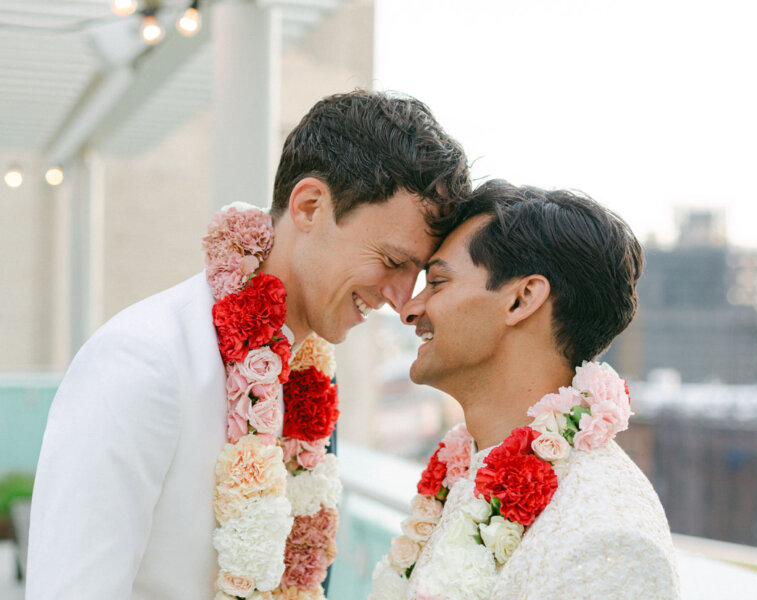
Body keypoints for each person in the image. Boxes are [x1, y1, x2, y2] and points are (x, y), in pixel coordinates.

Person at [26, 90, 471, 600]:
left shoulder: (308, 381)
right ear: (309, 206)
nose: (399, 297)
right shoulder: (142, 360)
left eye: (416, 273)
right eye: (393, 260)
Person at [370, 180, 680, 600]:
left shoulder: (607, 538)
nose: (410, 309)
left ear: (522, 299)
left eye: (438, 282)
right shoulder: (467, 473)